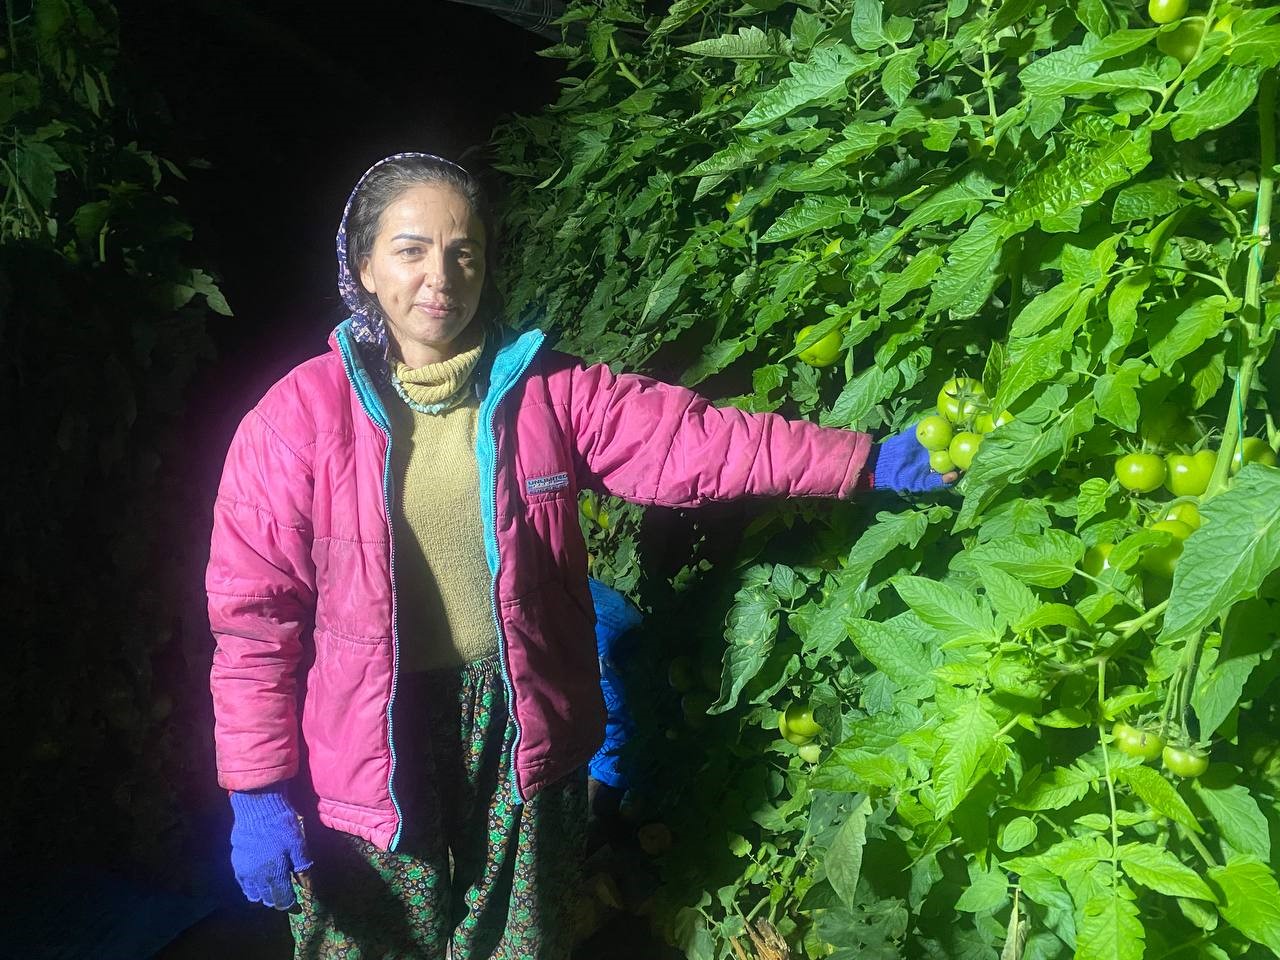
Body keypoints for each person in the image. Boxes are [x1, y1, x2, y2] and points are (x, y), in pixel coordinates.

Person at [206, 151, 953, 960]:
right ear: (363, 265)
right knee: (373, 945)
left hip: (523, 715)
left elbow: (693, 443)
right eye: (411, 249)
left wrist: (862, 461)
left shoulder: (545, 393)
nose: (441, 276)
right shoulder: (297, 419)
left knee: (518, 941)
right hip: (369, 732)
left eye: (464, 252)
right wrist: (258, 791)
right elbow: (255, 620)